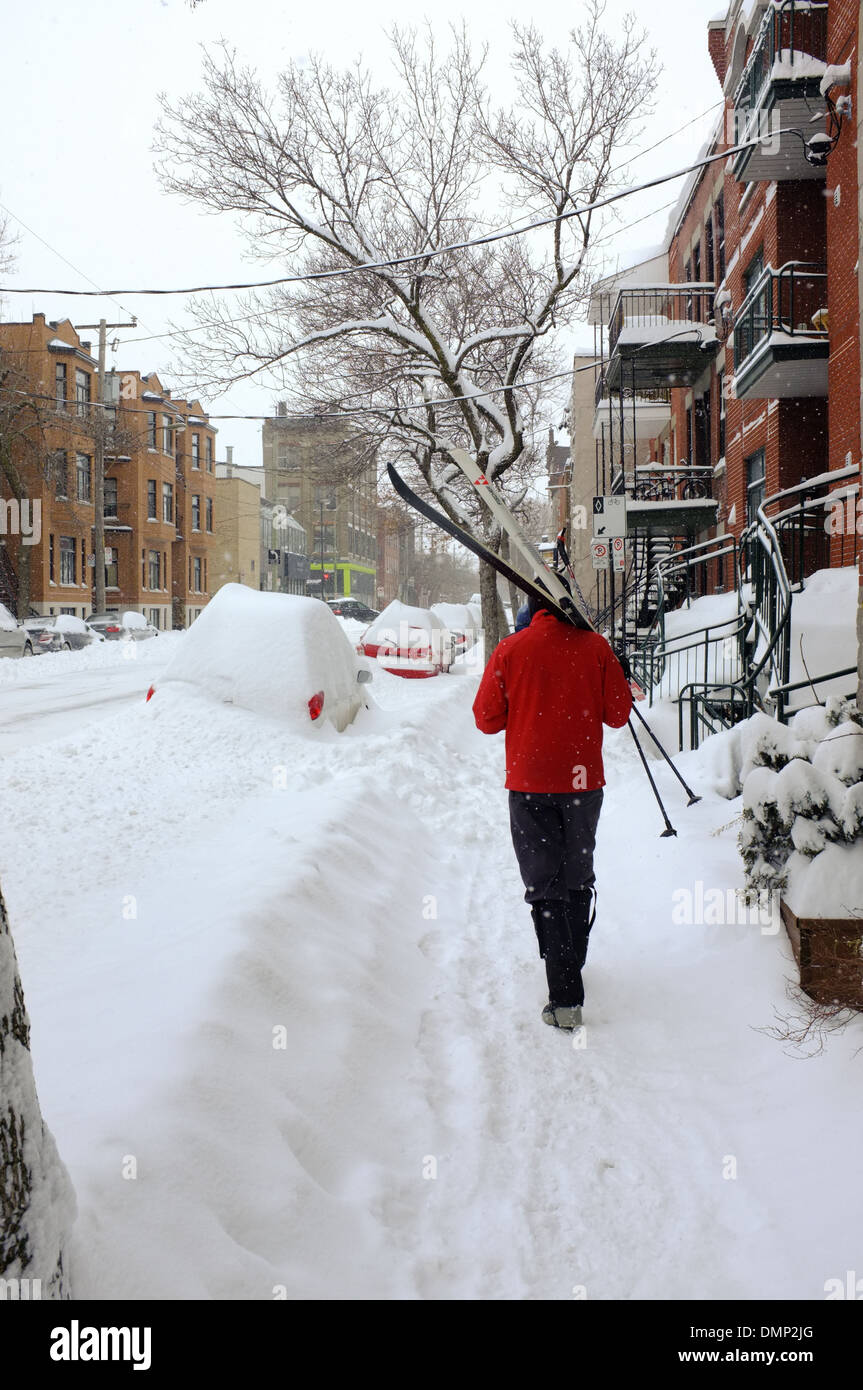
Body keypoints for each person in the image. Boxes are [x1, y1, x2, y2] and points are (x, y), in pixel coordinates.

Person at [472, 581, 633, 1031]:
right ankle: (571, 962)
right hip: (583, 785)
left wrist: (526, 702)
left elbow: (486, 719)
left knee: (545, 884)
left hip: (530, 785)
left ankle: (565, 996)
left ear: (531, 607)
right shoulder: (596, 648)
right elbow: (619, 714)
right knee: (576, 875)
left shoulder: (511, 649)